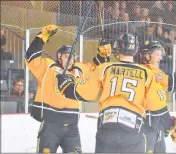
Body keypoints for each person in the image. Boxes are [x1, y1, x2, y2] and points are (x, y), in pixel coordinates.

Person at [56, 33, 176, 153]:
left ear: (117, 49)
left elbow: (80, 93)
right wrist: (172, 126)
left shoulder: (105, 68)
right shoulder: (147, 74)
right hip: (133, 133)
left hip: (106, 130)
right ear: (135, 51)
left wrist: (65, 84)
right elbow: (157, 108)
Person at [24, 25, 111, 153]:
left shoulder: (80, 68)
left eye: (72, 56)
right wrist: (41, 38)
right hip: (50, 125)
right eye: (66, 56)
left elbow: (97, 67)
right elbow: (30, 58)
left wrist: (103, 54)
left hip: (72, 127)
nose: (70, 59)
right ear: (59, 57)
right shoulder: (48, 67)